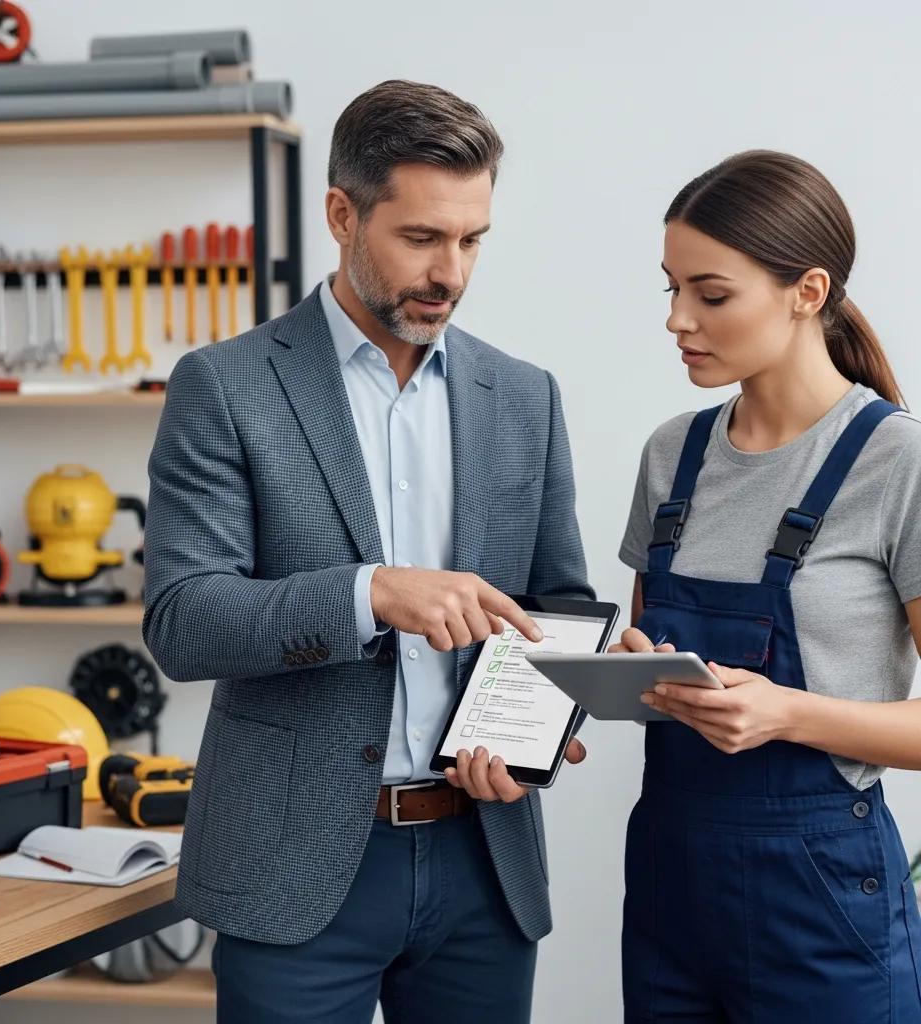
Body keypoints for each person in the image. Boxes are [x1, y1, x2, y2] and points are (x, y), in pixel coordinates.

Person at [143, 80, 594, 1024]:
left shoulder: (525, 396)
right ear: (342, 216)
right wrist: (370, 593)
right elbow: (184, 621)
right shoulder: (224, 386)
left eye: (472, 240)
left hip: (484, 861)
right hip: (292, 867)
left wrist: (531, 737)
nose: (451, 273)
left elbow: (553, 604)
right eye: (422, 237)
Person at [614, 149, 921, 1022]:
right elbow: (647, 660)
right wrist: (629, 673)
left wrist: (785, 713)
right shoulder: (672, 455)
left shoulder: (898, 462)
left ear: (807, 292)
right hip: (670, 882)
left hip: (820, 900)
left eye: (711, 295)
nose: (678, 318)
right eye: (671, 288)